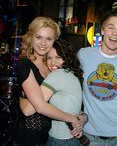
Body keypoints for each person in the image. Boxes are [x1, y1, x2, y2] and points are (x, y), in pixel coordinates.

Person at [12, 17, 82, 146]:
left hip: (49, 135)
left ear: (54, 41)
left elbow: (66, 100)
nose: (43, 43)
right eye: (38, 37)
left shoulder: (54, 66)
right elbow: (35, 108)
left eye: (49, 39)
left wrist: (82, 118)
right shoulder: (25, 65)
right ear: (30, 37)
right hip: (28, 136)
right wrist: (72, 118)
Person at [77, 10, 117, 146]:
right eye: (110, 27)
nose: (115, 33)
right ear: (102, 30)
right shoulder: (83, 55)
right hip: (90, 135)